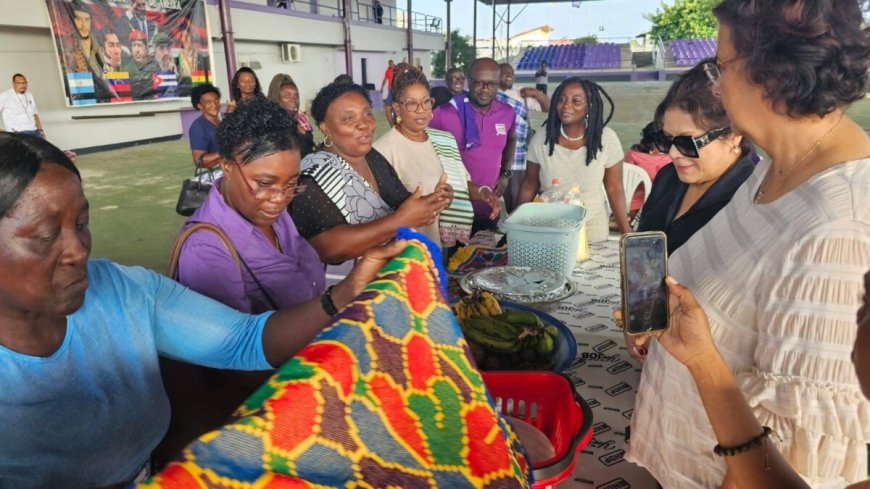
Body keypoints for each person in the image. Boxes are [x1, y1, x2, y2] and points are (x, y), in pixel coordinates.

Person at [0, 132, 403, 488]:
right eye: (44, 235)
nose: (77, 251)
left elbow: (241, 338)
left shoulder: (126, 291)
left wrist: (344, 293)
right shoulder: (204, 246)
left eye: (83, 224)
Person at [625, 1, 870, 486]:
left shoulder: (836, 226)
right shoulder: (774, 166)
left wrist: (699, 359)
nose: (714, 84)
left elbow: (795, 464)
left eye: (721, 64)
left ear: (771, 78)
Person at [289, 81, 452, 264]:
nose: (364, 125)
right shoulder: (311, 176)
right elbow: (327, 249)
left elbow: (402, 204)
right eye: (348, 119)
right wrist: (400, 220)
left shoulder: (373, 157)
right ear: (325, 127)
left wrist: (433, 200)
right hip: (347, 286)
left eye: (367, 114)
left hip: (391, 278)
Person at [636, 60, 755, 255]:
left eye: (687, 143)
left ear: (733, 135)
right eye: (666, 141)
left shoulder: (749, 199)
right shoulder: (667, 177)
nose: (673, 153)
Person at [374, 68, 500, 248]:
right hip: (403, 254)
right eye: (411, 104)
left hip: (437, 249)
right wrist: (431, 200)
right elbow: (379, 216)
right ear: (397, 108)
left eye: (426, 102)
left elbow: (462, 184)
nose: (421, 110)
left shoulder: (444, 140)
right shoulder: (382, 151)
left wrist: (482, 192)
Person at [516, 77, 631, 240]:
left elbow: (615, 188)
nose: (566, 106)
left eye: (576, 101)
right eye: (561, 99)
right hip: (550, 225)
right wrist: (517, 224)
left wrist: (627, 233)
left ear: (589, 106)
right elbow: (529, 184)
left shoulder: (606, 139)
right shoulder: (542, 139)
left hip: (592, 224)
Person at [430, 58, 517, 232]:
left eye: (492, 84)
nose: (485, 89)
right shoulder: (445, 113)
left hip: (489, 209)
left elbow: (512, 138)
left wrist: (505, 173)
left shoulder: (506, 113)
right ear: (469, 81)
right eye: (479, 83)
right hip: (452, 212)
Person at [622, 122, 670, 218]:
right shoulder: (671, 157)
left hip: (632, 205)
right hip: (645, 206)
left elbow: (625, 182)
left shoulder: (633, 153)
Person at [267, 73, 315, 158]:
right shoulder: (272, 125)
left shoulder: (300, 119)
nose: (294, 100)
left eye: (295, 96)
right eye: (287, 96)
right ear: (276, 98)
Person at [187, 83, 223, 184]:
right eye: (208, 102)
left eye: (216, 100)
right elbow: (199, 161)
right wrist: (226, 152)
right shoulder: (198, 127)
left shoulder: (222, 121)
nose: (214, 105)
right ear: (199, 105)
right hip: (212, 178)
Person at [0, 74, 44, 138]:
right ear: (13, 84)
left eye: (25, 83)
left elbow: (35, 114)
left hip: (35, 132)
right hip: (18, 134)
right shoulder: (4, 96)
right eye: (20, 83)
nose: (23, 85)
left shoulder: (29, 95)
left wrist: (41, 131)